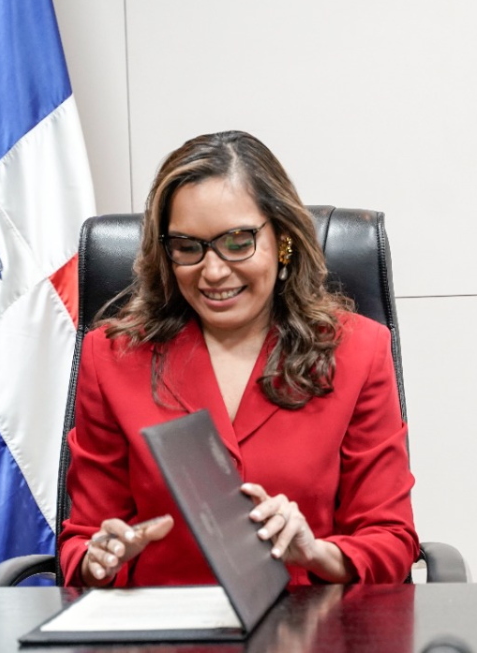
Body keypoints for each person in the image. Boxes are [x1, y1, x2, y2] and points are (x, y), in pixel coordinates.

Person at [58, 131, 419, 587]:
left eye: (237, 241)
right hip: (166, 633)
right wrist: (99, 558)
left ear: (283, 239)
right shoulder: (113, 356)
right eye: (187, 247)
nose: (212, 271)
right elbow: (81, 541)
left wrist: (316, 552)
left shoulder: (357, 350)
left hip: (307, 630)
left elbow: (390, 540)